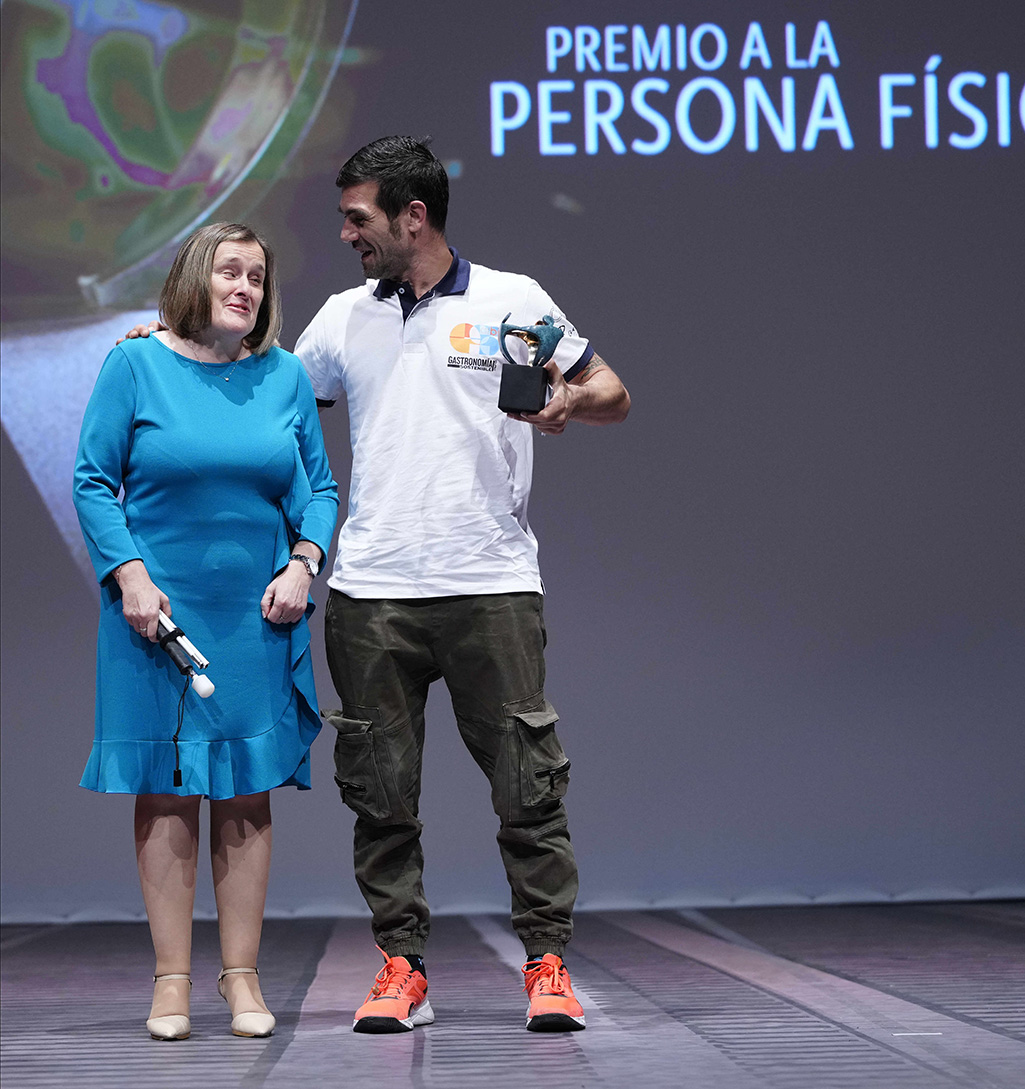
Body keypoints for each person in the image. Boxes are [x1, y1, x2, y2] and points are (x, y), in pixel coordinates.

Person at [301, 135, 630, 1034]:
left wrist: (566, 401)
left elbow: (612, 388)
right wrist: (169, 344)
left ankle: (547, 962)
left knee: (529, 786)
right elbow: (271, 399)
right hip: (371, 593)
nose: (345, 235)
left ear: (414, 216)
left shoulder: (511, 301)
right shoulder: (340, 319)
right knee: (380, 795)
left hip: (490, 583)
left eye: (357, 218)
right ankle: (402, 968)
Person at [74, 222, 338, 1041]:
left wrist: (303, 564)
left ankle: (242, 978)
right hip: (153, 612)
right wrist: (131, 576)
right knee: (165, 792)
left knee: (245, 793)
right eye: (230, 271)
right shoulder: (135, 364)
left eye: (257, 277)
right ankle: (171, 983)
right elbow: (92, 479)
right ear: (195, 277)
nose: (245, 287)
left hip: (254, 617)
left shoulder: (284, 376)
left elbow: (320, 491)